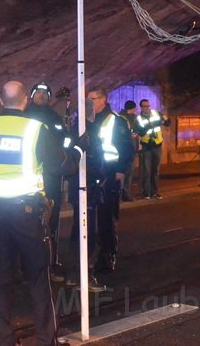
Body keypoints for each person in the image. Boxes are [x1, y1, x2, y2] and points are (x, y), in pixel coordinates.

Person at [0, 80, 78, 346]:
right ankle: (45, 340)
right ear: (25, 101)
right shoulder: (35, 129)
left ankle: (4, 339)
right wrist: (77, 148)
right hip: (27, 214)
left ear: (0, 99)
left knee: (1, 281)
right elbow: (62, 167)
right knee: (38, 278)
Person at [81, 86, 134, 274]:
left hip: (109, 173)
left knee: (106, 217)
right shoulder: (85, 120)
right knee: (88, 218)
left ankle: (108, 256)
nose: (90, 103)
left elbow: (127, 147)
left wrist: (121, 170)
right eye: (88, 99)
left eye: (93, 99)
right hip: (90, 173)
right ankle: (86, 257)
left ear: (103, 99)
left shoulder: (116, 121)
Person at [27, 82, 70, 277]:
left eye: (46, 93)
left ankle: (50, 261)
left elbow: (65, 141)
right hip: (30, 177)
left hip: (52, 176)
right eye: (39, 93)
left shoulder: (55, 117)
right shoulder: (25, 115)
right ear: (32, 95)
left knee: (51, 218)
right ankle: (30, 264)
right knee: (30, 220)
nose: (42, 96)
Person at [135, 98, 169, 199]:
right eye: (144, 106)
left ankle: (154, 192)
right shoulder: (139, 119)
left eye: (148, 106)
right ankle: (146, 193)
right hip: (147, 146)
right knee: (147, 170)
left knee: (155, 170)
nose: (147, 108)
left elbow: (167, 123)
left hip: (157, 144)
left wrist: (165, 117)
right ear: (141, 107)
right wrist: (150, 126)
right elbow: (140, 131)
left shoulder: (156, 114)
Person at [120, 100, 139, 201]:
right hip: (126, 149)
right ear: (132, 108)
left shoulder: (132, 118)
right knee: (124, 172)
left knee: (128, 172)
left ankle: (125, 193)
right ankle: (122, 194)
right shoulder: (122, 118)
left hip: (131, 148)